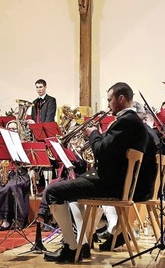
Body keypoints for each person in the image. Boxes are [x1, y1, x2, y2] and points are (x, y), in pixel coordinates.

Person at [42, 82, 157, 262]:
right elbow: (111, 150)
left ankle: (71, 248)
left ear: (121, 99)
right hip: (116, 181)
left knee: (53, 191)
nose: (108, 104)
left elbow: (102, 151)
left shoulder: (126, 122)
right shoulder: (132, 122)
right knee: (72, 194)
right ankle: (82, 244)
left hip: (111, 184)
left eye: (110, 100)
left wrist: (94, 134)